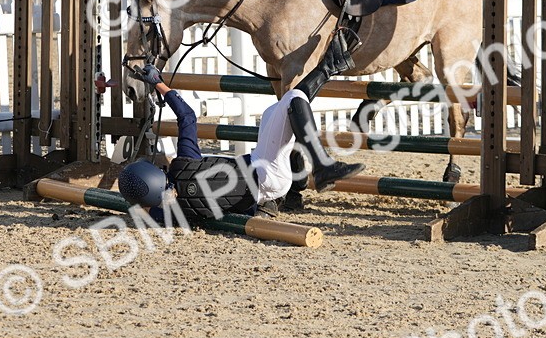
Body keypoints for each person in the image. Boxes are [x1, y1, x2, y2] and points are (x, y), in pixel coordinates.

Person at [118, 35, 364, 220]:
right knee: (290, 100)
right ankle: (322, 167)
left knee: (274, 111)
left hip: (264, 189)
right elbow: (187, 116)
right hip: (265, 170)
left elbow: (146, 208)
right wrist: (158, 83)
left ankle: (331, 66)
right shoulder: (185, 163)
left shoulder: (168, 215)